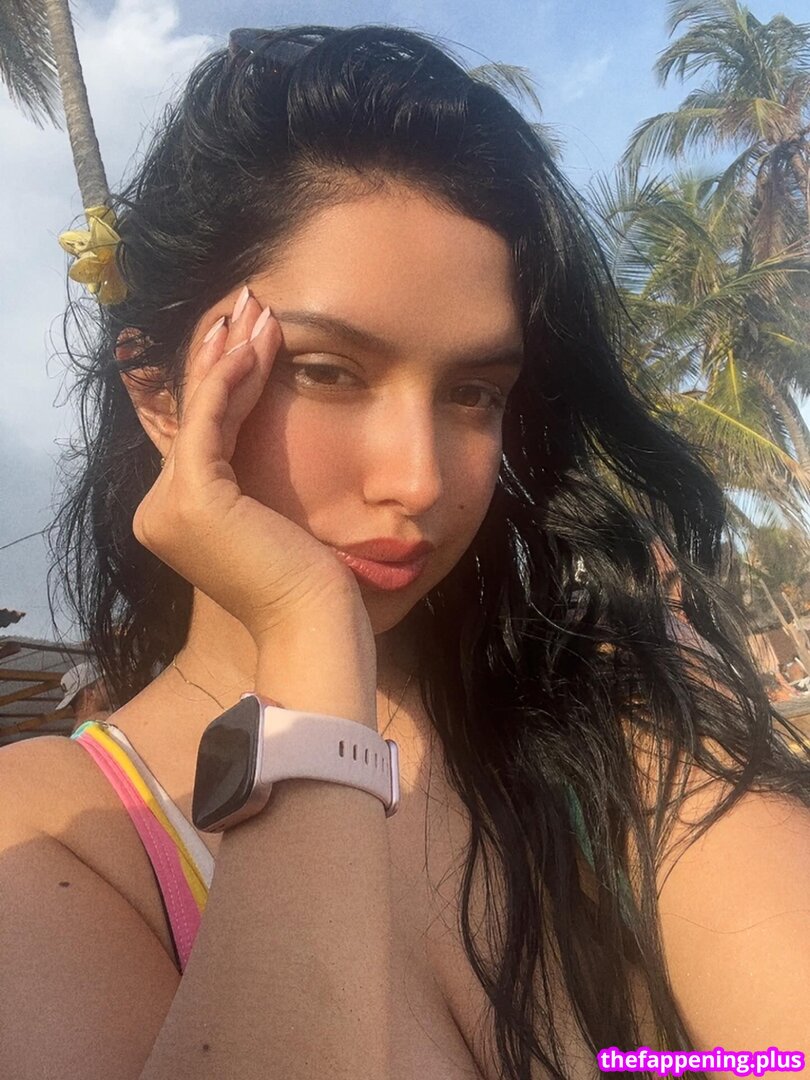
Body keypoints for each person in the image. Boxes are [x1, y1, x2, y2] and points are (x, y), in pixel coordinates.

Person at [1, 24, 808, 1080]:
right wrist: (309, 644)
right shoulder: (59, 835)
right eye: (327, 372)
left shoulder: (609, 740)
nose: (420, 480)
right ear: (159, 394)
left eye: (474, 393)